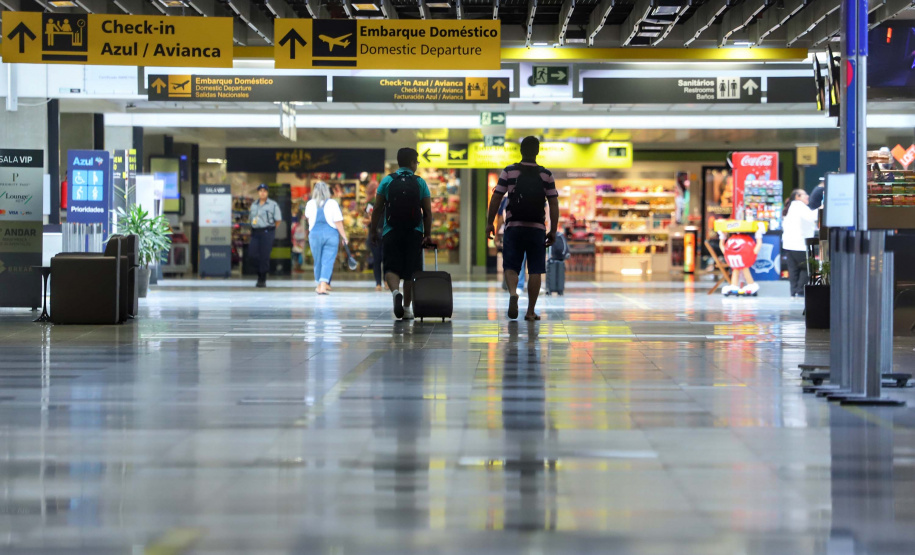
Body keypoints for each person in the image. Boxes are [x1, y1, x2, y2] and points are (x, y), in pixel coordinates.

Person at [486, 136, 560, 321]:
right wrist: (553, 230)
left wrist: (489, 223)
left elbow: (496, 198)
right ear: (537, 151)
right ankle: (530, 311)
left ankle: (513, 293)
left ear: (521, 151)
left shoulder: (509, 172)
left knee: (511, 266)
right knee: (535, 270)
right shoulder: (546, 175)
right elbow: (553, 203)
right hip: (536, 229)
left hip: (514, 227)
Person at [370, 148, 433, 320]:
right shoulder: (420, 182)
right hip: (414, 232)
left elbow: (377, 209)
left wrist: (374, 230)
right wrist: (427, 234)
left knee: (391, 267)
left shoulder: (387, 181)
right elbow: (427, 211)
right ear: (413, 162)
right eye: (417, 162)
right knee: (411, 271)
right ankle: (406, 308)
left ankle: (395, 293)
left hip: (391, 230)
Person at [304, 181, 349, 295]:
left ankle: (319, 285)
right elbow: (338, 222)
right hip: (331, 235)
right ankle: (323, 285)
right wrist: (344, 236)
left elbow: (309, 220)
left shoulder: (310, 204)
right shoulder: (333, 203)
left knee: (317, 260)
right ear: (327, 191)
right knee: (327, 261)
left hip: (314, 235)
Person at [782, 188, 819, 297]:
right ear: (797, 197)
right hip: (799, 244)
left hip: (789, 245)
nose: (807, 196)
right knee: (807, 268)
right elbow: (812, 217)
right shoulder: (799, 206)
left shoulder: (792, 207)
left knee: (793, 270)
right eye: (804, 194)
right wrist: (823, 207)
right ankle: (800, 291)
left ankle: (794, 292)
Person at [248, 183, 282, 288]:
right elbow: (251, 218)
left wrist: (270, 229)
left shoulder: (273, 204)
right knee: (252, 254)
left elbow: (278, 220)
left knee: (264, 255)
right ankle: (259, 272)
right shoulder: (254, 204)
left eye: (264, 191)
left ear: (267, 193)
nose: (262, 193)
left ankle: (262, 278)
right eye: (260, 191)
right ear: (258, 192)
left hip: (267, 232)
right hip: (255, 231)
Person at [496, 196, 526, 295]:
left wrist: (496, 233)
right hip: (527, 230)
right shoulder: (533, 193)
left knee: (510, 259)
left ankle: (513, 285)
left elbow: (500, 217)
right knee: (524, 258)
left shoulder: (507, 198)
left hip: (511, 230)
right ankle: (518, 285)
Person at [364, 203, 384, 291]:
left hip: (386, 234)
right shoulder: (371, 206)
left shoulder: (390, 204)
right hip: (374, 235)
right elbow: (364, 220)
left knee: (386, 259)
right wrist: (371, 219)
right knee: (377, 259)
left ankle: (387, 281)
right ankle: (378, 283)